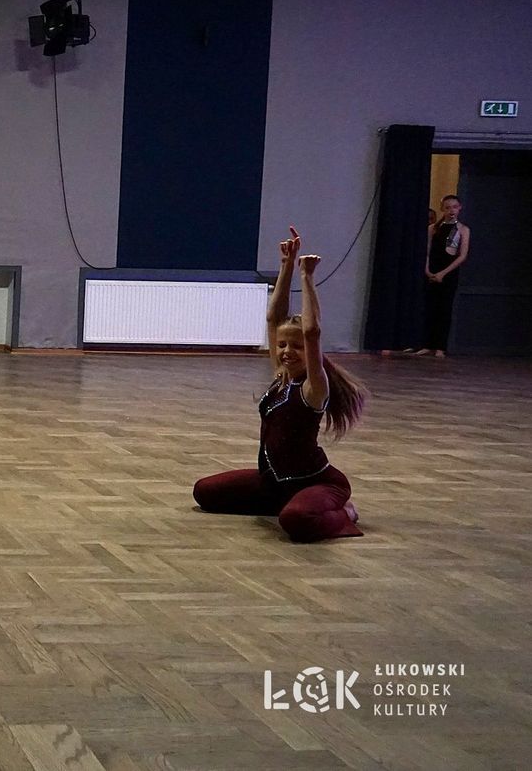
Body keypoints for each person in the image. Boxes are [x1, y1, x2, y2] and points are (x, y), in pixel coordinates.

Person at [192, 226, 367, 543]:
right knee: (205, 492)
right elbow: (274, 318)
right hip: (274, 481)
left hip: (316, 482)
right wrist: (286, 265)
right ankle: (288, 502)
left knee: (296, 521)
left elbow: (312, 332)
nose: (286, 351)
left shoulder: (314, 388)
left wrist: (307, 277)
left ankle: (345, 512)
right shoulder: (280, 377)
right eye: (282, 345)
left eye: (296, 347)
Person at [405, 195, 471, 358]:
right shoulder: (433, 228)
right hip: (432, 271)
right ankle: (427, 344)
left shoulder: (463, 230)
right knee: (429, 309)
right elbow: (427, 251)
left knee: (444, 310)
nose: (451, 211)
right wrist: (428, 270)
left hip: (448, 274)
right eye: (447, 208)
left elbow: (462, 256)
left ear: (459, 208)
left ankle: (440, 346)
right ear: (442, 209)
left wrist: (443, 273)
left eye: (454, 207)